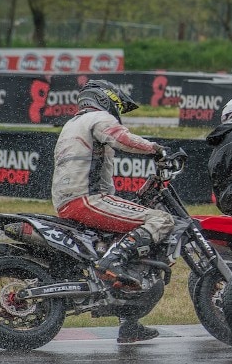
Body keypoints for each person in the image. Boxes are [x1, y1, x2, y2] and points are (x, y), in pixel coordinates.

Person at [52, 79, 171, 344]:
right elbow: (120, 138)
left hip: (71, 200)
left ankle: (129, 325)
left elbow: (102, 179)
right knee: (161, 219)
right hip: (86, 199)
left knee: (127, 241)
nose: (118, 110)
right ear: (107, 99)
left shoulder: (73, 124)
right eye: (118, 104)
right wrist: (156, 149)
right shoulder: (98, 117)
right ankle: (111, 263)